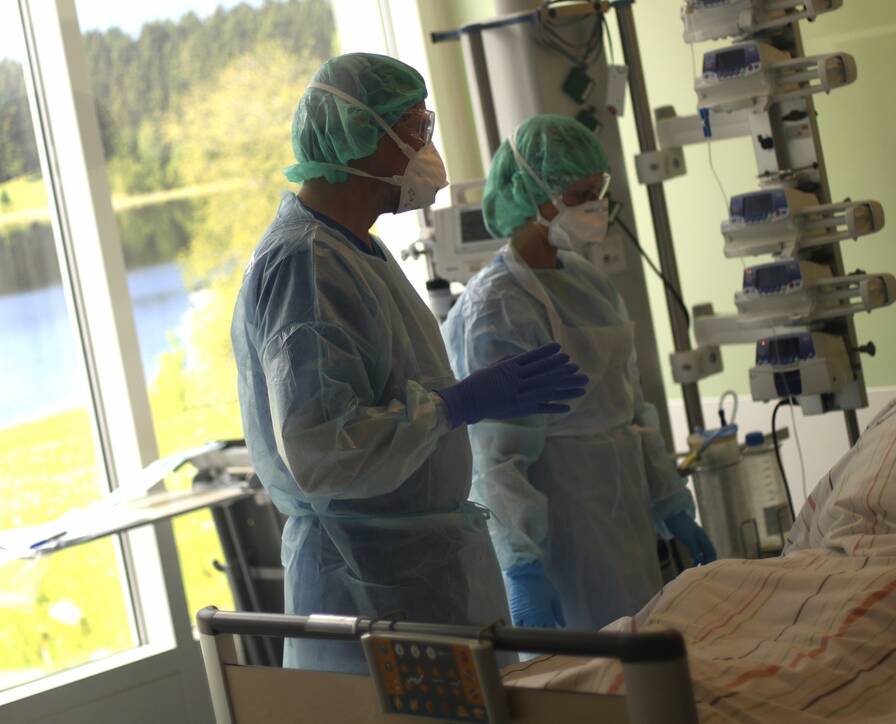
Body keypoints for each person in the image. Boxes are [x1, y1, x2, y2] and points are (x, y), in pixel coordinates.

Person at [230, 54, 587, 674]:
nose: (427, 148)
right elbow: (321, 450)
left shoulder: (356, 250)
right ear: (357, 137)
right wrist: (454, 405)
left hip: (409, 572)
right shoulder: (306, 263)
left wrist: (454, 407)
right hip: (365, 580)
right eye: (415, 129)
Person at [443, 115, 716, 631]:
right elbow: (495, 455)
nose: (595, 207)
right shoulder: (497, 306)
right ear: (531, 196)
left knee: (646, 650)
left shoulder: (589, 282)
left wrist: (669, 501)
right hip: (560, 532)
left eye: (598, 192)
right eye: (578, 195)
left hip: (625, 514)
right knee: (590, 667)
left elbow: (631, 409)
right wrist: (520, 562)